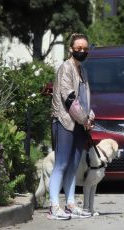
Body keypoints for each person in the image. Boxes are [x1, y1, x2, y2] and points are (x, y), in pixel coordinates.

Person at [48, 33, 95, 220]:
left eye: (85, 49)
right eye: (78, 49)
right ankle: (53, 206)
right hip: (64, 121)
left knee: (73, 166)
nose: (82, 51)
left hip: (80, 124)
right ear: (71, 49)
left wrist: (89, 115)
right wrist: (84, 119)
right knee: (61, 164)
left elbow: (84, 98)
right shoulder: (65, 68)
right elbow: (69, 100)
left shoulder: (82, 70)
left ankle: (70, 204)